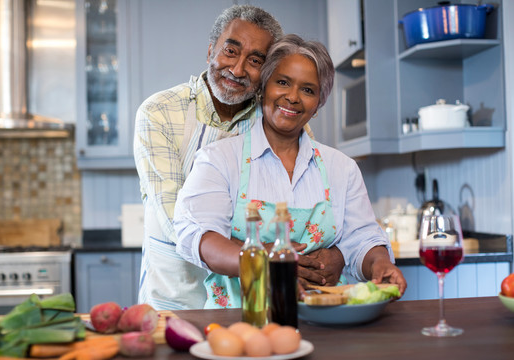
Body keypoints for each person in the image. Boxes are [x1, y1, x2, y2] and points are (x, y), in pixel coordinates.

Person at [134, 5, 345, 310]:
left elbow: (307, 208)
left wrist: (335, 254)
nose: (237, 69)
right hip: (176, 297)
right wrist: (262, 258)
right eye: (230, 51)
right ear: (210, 51)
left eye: (256, 60)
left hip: (246, 300)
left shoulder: (277, 116)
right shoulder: (160, 112)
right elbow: (177, 221)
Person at [173, 34, 407, 308]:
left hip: (325, 319)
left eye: (308, 90)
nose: (293, 97)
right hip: (239, 320)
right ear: (263, 88)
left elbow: (362, 238)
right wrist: (262, 263)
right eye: (282, 82)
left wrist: (380, 263)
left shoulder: (341, 168)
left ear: (319, 103)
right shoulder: (219, 159)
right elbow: (200, 237)